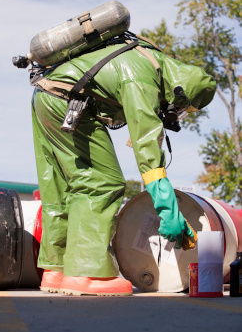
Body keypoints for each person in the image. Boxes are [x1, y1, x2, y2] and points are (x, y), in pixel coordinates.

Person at [31, 36, 216, 296]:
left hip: (46, 97)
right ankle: (87, 271)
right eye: (181, 107)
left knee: (60, 185)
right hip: (67, 102)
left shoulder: (140, 57)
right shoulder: (142, 75)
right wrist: (168, 209)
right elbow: (147, 145)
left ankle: (56, 268)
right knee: (104, 182)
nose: (175, 111)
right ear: (180, 90)